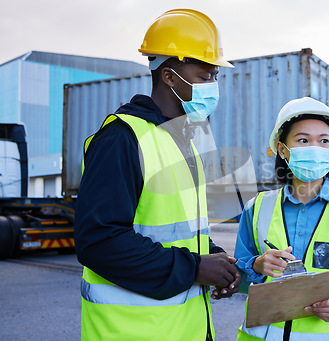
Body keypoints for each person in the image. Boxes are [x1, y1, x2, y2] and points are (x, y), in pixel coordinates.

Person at [75, 9, 240, 341]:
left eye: (215, 77)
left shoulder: (186, 142)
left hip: (189, 328)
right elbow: (99, 241)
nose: (212, 86)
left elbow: (179, 230)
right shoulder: (121, 139)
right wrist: (194, 267)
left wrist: (214, 258)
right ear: (169, 76)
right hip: (132, 332)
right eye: (205, 75)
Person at [234, 97, 329, 340]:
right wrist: (257, 265)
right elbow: (238, 274)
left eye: (324, 140)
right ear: (282, 149)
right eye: (303, 140)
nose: (315, 147)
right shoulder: (256, 208)